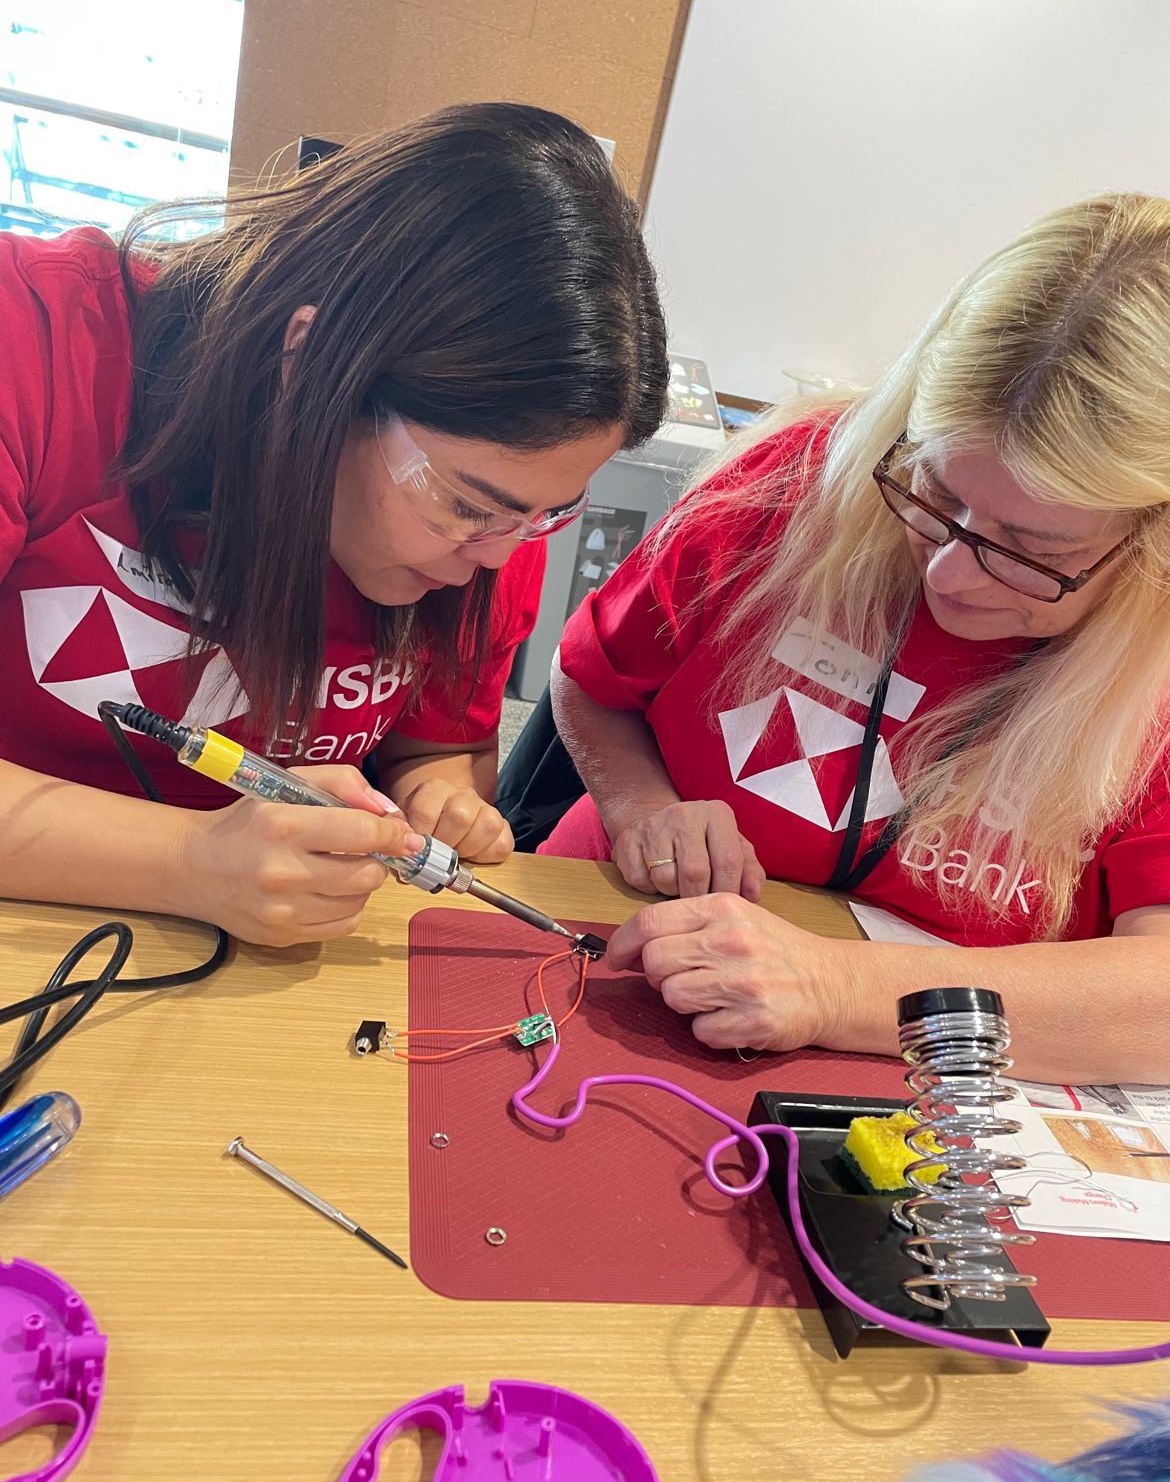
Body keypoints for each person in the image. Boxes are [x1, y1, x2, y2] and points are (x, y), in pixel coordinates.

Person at [0, 103, 667, 947]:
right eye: (467, 505)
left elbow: (435, 752)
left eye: (545, 514)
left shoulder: (494, 523)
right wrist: (190, 862)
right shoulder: (38, 348)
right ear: (309, 365)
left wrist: (437, 799)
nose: (493, 557)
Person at [546, 193, 1170, 1082]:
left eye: (1034, 552)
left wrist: (842, 987)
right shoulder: (797, 480)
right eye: (934, 494)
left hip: (912, 1065)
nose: (949, 575)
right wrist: (642, 807)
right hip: (621, 957)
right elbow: (591, 679)